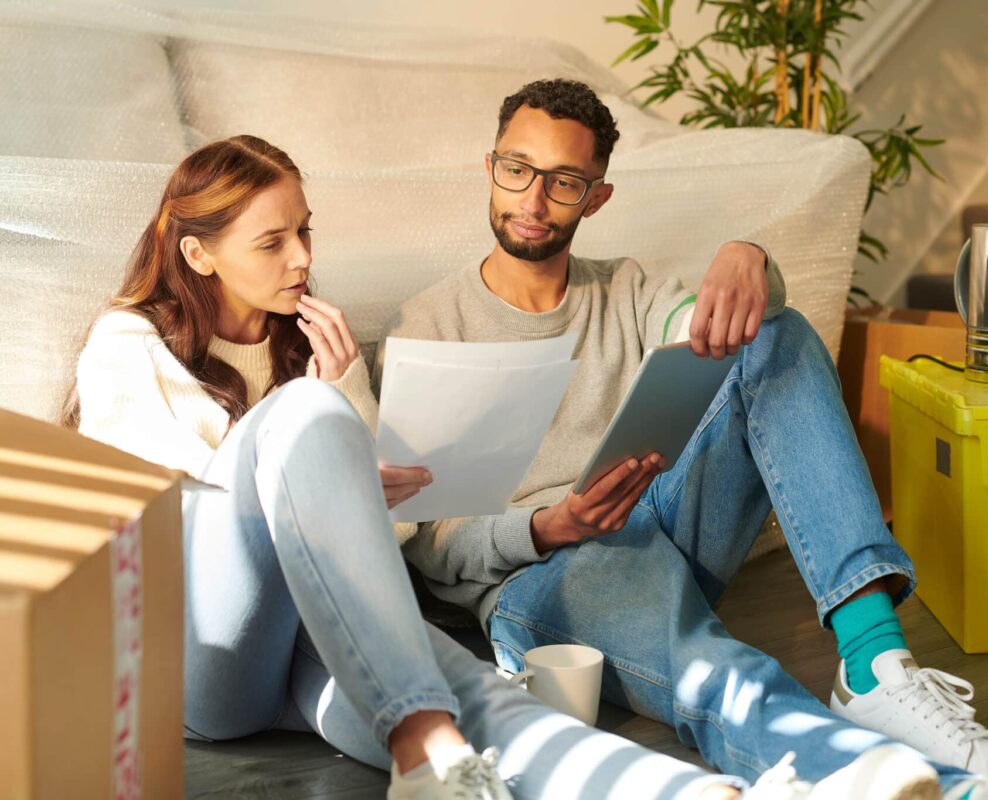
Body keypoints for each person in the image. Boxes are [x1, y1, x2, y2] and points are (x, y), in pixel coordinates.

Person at [63, 134, 940, 800]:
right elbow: (165, 530)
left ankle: (694, 789)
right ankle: (421, 740)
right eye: (271, 242)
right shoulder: (127, 346)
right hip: (201, 658)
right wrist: (314, 428)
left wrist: (346, 397)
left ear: (594, 196)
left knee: (483, 709)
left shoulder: (316, 353)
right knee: (303, 422)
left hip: (320, 646)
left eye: (304, 233)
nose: (301, 259)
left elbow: (397, 536)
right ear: (197, 252)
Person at [380, 79, 988, 800]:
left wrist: (751, 259)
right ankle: (973, 791)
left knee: (776, 335)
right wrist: (549, 525)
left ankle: (874, 664)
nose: (533, 200)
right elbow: (431, 545)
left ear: (598, 196)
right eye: (518, 170)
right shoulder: (429, 324)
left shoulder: (626, 288)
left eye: (565, 182)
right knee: (720, 673)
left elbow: (719, 331)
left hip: (665, 523)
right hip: (543, 573)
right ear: (492, 167)